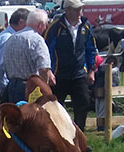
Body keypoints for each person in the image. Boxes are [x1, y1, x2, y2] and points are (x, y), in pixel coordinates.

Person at [45, 0, 97, 130]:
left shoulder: (86, 26)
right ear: (67, 10)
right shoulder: (55, 27)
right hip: (59, 75)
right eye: (76, 9)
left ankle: (79, 137)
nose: (80, 12)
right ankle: (59, 137)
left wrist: (91, 70)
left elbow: (91, 49)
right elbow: (46, 50)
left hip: (79, 74)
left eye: (80, 9)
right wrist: (49, 70)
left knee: (83, 104)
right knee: (55, 107)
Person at [2, 9, 54, 103]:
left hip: (12, 85)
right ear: (41, 24)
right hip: (30, 87)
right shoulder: (37, 40)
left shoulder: (12, 38)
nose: (46, 28)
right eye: (46, 24)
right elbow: (43, 69)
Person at [0, 8, 29, 103]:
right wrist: (4, 90)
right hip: (6, 88)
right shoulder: (8, 38)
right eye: (28, 24)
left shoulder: (6, 35)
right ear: (21, 22)